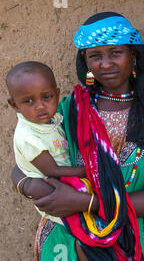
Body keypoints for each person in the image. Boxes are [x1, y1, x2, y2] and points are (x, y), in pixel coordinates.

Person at [11, 12, 144, 261]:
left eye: (116, 53)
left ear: (133, 55)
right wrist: (28, 185)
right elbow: (24, 161)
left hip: (133, 239)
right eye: (95, 55)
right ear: (85, 61)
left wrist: (84, 201)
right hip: (68, 239)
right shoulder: (67, 110)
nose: (106, 63)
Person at [7, 61, 85, 225]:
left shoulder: (53, 118)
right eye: (28, 101)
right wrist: (88, 171)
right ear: (14, 105)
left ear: (56, 95)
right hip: (54, 195)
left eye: (46, 97)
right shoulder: (29, 138)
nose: (40, 106)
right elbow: (53, 171)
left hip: (67, 181)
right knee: (83, 228)